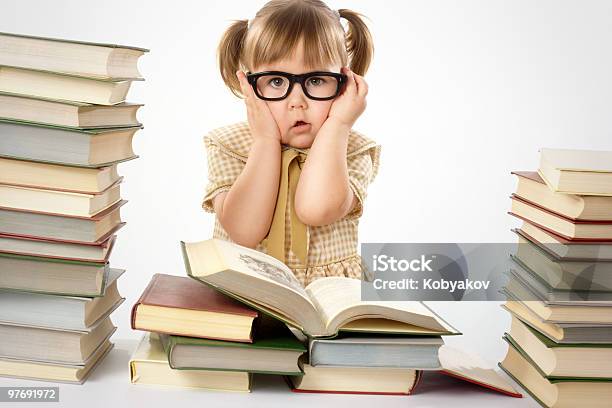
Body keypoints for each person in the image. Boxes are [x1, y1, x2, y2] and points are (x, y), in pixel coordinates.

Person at [202, 0, 380, 286]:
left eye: (317, 80)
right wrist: (265, 140)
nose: (297, 102)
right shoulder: (230, 145)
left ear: (344, 83)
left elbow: (315, 209)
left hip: (328, 298)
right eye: (275, 81)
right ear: (249, 86)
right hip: (245, 295)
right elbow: (244, 230)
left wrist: (338, 124)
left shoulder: (351, 148)